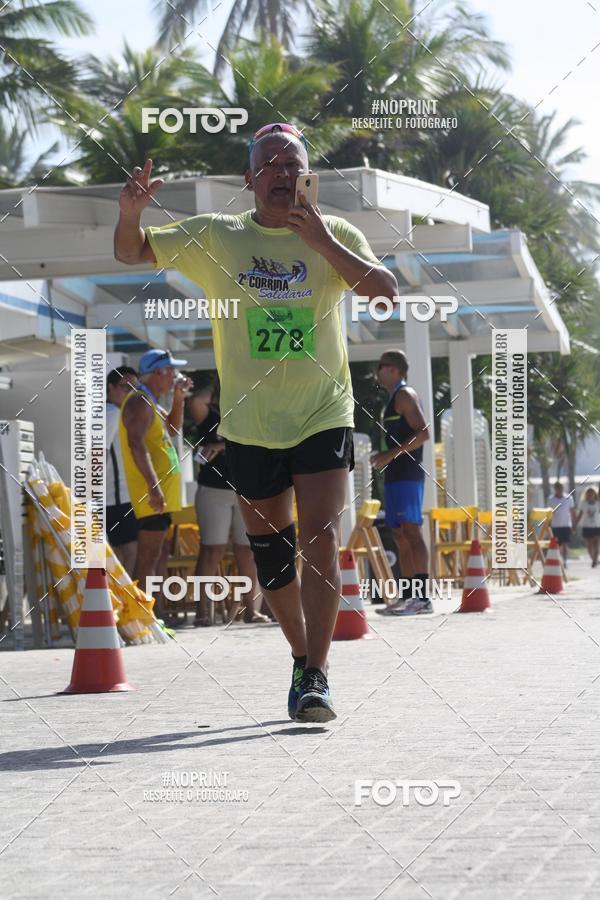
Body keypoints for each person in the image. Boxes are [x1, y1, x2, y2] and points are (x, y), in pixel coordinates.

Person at [114, 122, 398, 722]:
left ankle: (317, 673)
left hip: (322, 411)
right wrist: (130, 213)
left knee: (320, 538)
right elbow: (130, 251)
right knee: (271, 556)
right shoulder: (218, 237)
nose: (281, 173)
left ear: (307, 175)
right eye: (269, 164)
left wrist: (321, 240)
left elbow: (384, 293)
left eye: (292, 163)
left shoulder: (335, 234)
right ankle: (300, 656)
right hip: (249, 425)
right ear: (249, 179)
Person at [188, 379, 270, 626]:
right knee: (212, 549)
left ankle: (251, 610)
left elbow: (261, 441)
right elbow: (195, 400)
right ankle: (202, 611)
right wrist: (220, 381)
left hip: (246, 489)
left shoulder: (251, 410)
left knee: (247, 551)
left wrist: (222, 445)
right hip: (214, 490)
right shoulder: (210, 411)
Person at [118, 348, 192, 612]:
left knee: (155, 556)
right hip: (150, 495)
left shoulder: (148, 400)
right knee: (147, 558)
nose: (175, 376)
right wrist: (153, 486)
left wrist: (179, 396)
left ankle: (147, 613)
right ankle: (138, 616)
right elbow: (135, 443)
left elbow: (172, 428)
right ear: (157, 372)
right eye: (171, 371)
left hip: (158, 495)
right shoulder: (139, 401)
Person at [370, 350, 432, 615]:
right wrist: (384, 455)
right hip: (395, 475)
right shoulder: (392, 398)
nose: (376, 371)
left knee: (412, 531)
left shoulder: (405, 395)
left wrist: (390, 454)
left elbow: (423, 433)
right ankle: (408, 597)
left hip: (408, 474)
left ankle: (423, 598)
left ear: (393, 370)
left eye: (380, 366)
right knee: (399, 534)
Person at [106, 366, 139, 575]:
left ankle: (120, 594)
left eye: (135, 388)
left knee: (121, 553)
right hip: (116, 497)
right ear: (110, 388)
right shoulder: (112, 414)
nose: (131, 392)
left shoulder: (115, 413)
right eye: (125, 387)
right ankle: (123, 595)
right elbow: (97, 455)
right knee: (129, 552)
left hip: (119, 497)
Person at [549, 481, 576, 566]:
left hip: (566, 524)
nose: (560, 489)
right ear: (555, 489)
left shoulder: (569, 498)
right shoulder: (551, 499)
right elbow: (549, 513)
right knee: (557, 544)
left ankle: (565, 561)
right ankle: (559, 560)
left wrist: (574, 524)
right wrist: (548, 525)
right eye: (558, 488)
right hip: (555, 525)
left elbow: (572, 511)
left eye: (561, 487)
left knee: (565, 543)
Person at [576, 486, 600, 568]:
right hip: (587, 527)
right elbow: (580, 515)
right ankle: (594, 559)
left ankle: (595, 560)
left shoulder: (598, 503)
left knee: (596, 544)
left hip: (596, 526)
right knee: (589, 546)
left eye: (592, 494)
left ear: (594, 494)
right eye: (588, 494)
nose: (590, 495)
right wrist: (575, 524)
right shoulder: (583, 503)